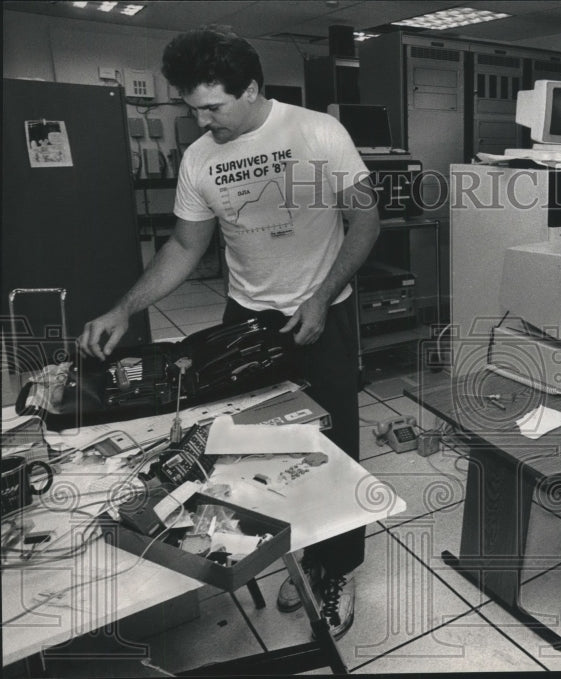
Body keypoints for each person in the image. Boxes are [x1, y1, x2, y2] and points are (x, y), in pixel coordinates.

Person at [78, 25, 381, 639]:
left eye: (213, 107)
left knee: (333, 449)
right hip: (246, 317)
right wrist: (123, 308)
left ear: (251, 89)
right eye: (192, 108)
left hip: (323, 309)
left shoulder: (317, 132)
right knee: (252, 451)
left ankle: (334, 568)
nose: (201, 121)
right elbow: (185, 246)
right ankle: (283, 550)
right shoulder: (199, 158)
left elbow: (366, 219)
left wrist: (322, 295)